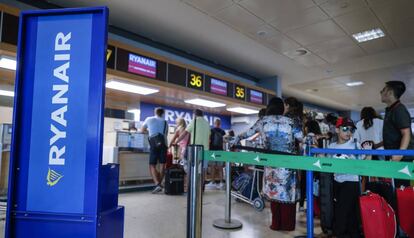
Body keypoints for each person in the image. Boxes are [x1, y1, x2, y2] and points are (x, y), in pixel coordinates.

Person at [234, 97, 302, 231]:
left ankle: (276, 224)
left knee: (274, 193)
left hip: (270, 165)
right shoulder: (291, 122)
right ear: (281, 108)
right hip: (288, 165)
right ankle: (287, 225)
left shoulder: (263, 121)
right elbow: (302, 138)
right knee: (287, 194)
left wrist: (235, 139)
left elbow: (246, 134)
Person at [329, 117, 372, 238]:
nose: (348, 132)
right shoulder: (332, 146)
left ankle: (339, 234)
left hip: (352, 182)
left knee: (342, 212)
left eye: (351, 130)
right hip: (337, 181)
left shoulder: (355, 145)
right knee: (351, 213)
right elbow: (324, 161)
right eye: (345, 128)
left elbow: (365, 161)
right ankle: (354, 234)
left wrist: (369, 152)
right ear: (337, 130)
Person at [380, 81, 414, 187]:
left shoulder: (399, 109)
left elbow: (406, 133)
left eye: (383, 90)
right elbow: (393, 135)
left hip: (401, 158)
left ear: (390, 92)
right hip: (395, 155)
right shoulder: (391, 110)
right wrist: (377, 145)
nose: (381, 92)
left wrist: (399, 154)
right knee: (393, 187)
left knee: (400, 189)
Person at [177, 109, 210, 187]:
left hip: (195, 150)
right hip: (205, 150)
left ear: (194, 115)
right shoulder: (207, 123)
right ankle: (201, 187)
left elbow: (184, 133)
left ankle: (190, 187)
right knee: (203, 169)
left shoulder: (194, 122)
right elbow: (209, 137)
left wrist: (176, 141)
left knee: (191, 169)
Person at [141, 107, 168, 193]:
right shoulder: (165, 122)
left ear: (155, 112)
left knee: (152, 165)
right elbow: (165, 134)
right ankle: (160, 184)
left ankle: (157, 184)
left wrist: (150, 133)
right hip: (163, 144)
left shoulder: (149, 119)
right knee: (163, 164)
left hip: (153, 144)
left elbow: (142, 130)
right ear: (163, 113)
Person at [299, 120, 323, 211]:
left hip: (305, 165)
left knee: (304, 186)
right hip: (316, 166)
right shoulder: (319, 138)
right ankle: (314, 208)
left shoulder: (305, 138)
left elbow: (301, 151)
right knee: (315, 188)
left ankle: (301, 205)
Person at [206, 118, 226, 189]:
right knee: (220, 168)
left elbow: (209, 140)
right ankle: (221, 183)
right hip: (220, 151)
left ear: (214, 123)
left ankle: (212, 182)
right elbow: (224, 142)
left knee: (212, 167)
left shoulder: (211, 130)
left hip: (212, 151)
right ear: (220, 124)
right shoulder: (223, 131)